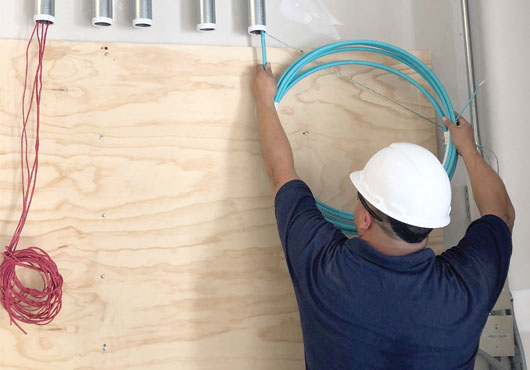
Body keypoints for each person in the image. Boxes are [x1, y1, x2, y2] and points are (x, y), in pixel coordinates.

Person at [252, 63, 515, 370]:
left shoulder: (326, 270)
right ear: (430, 222)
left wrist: (264, 100)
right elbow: (502, 214)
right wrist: (467, 147)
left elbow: (280, 174)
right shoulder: (465, 290)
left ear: (364, 220)